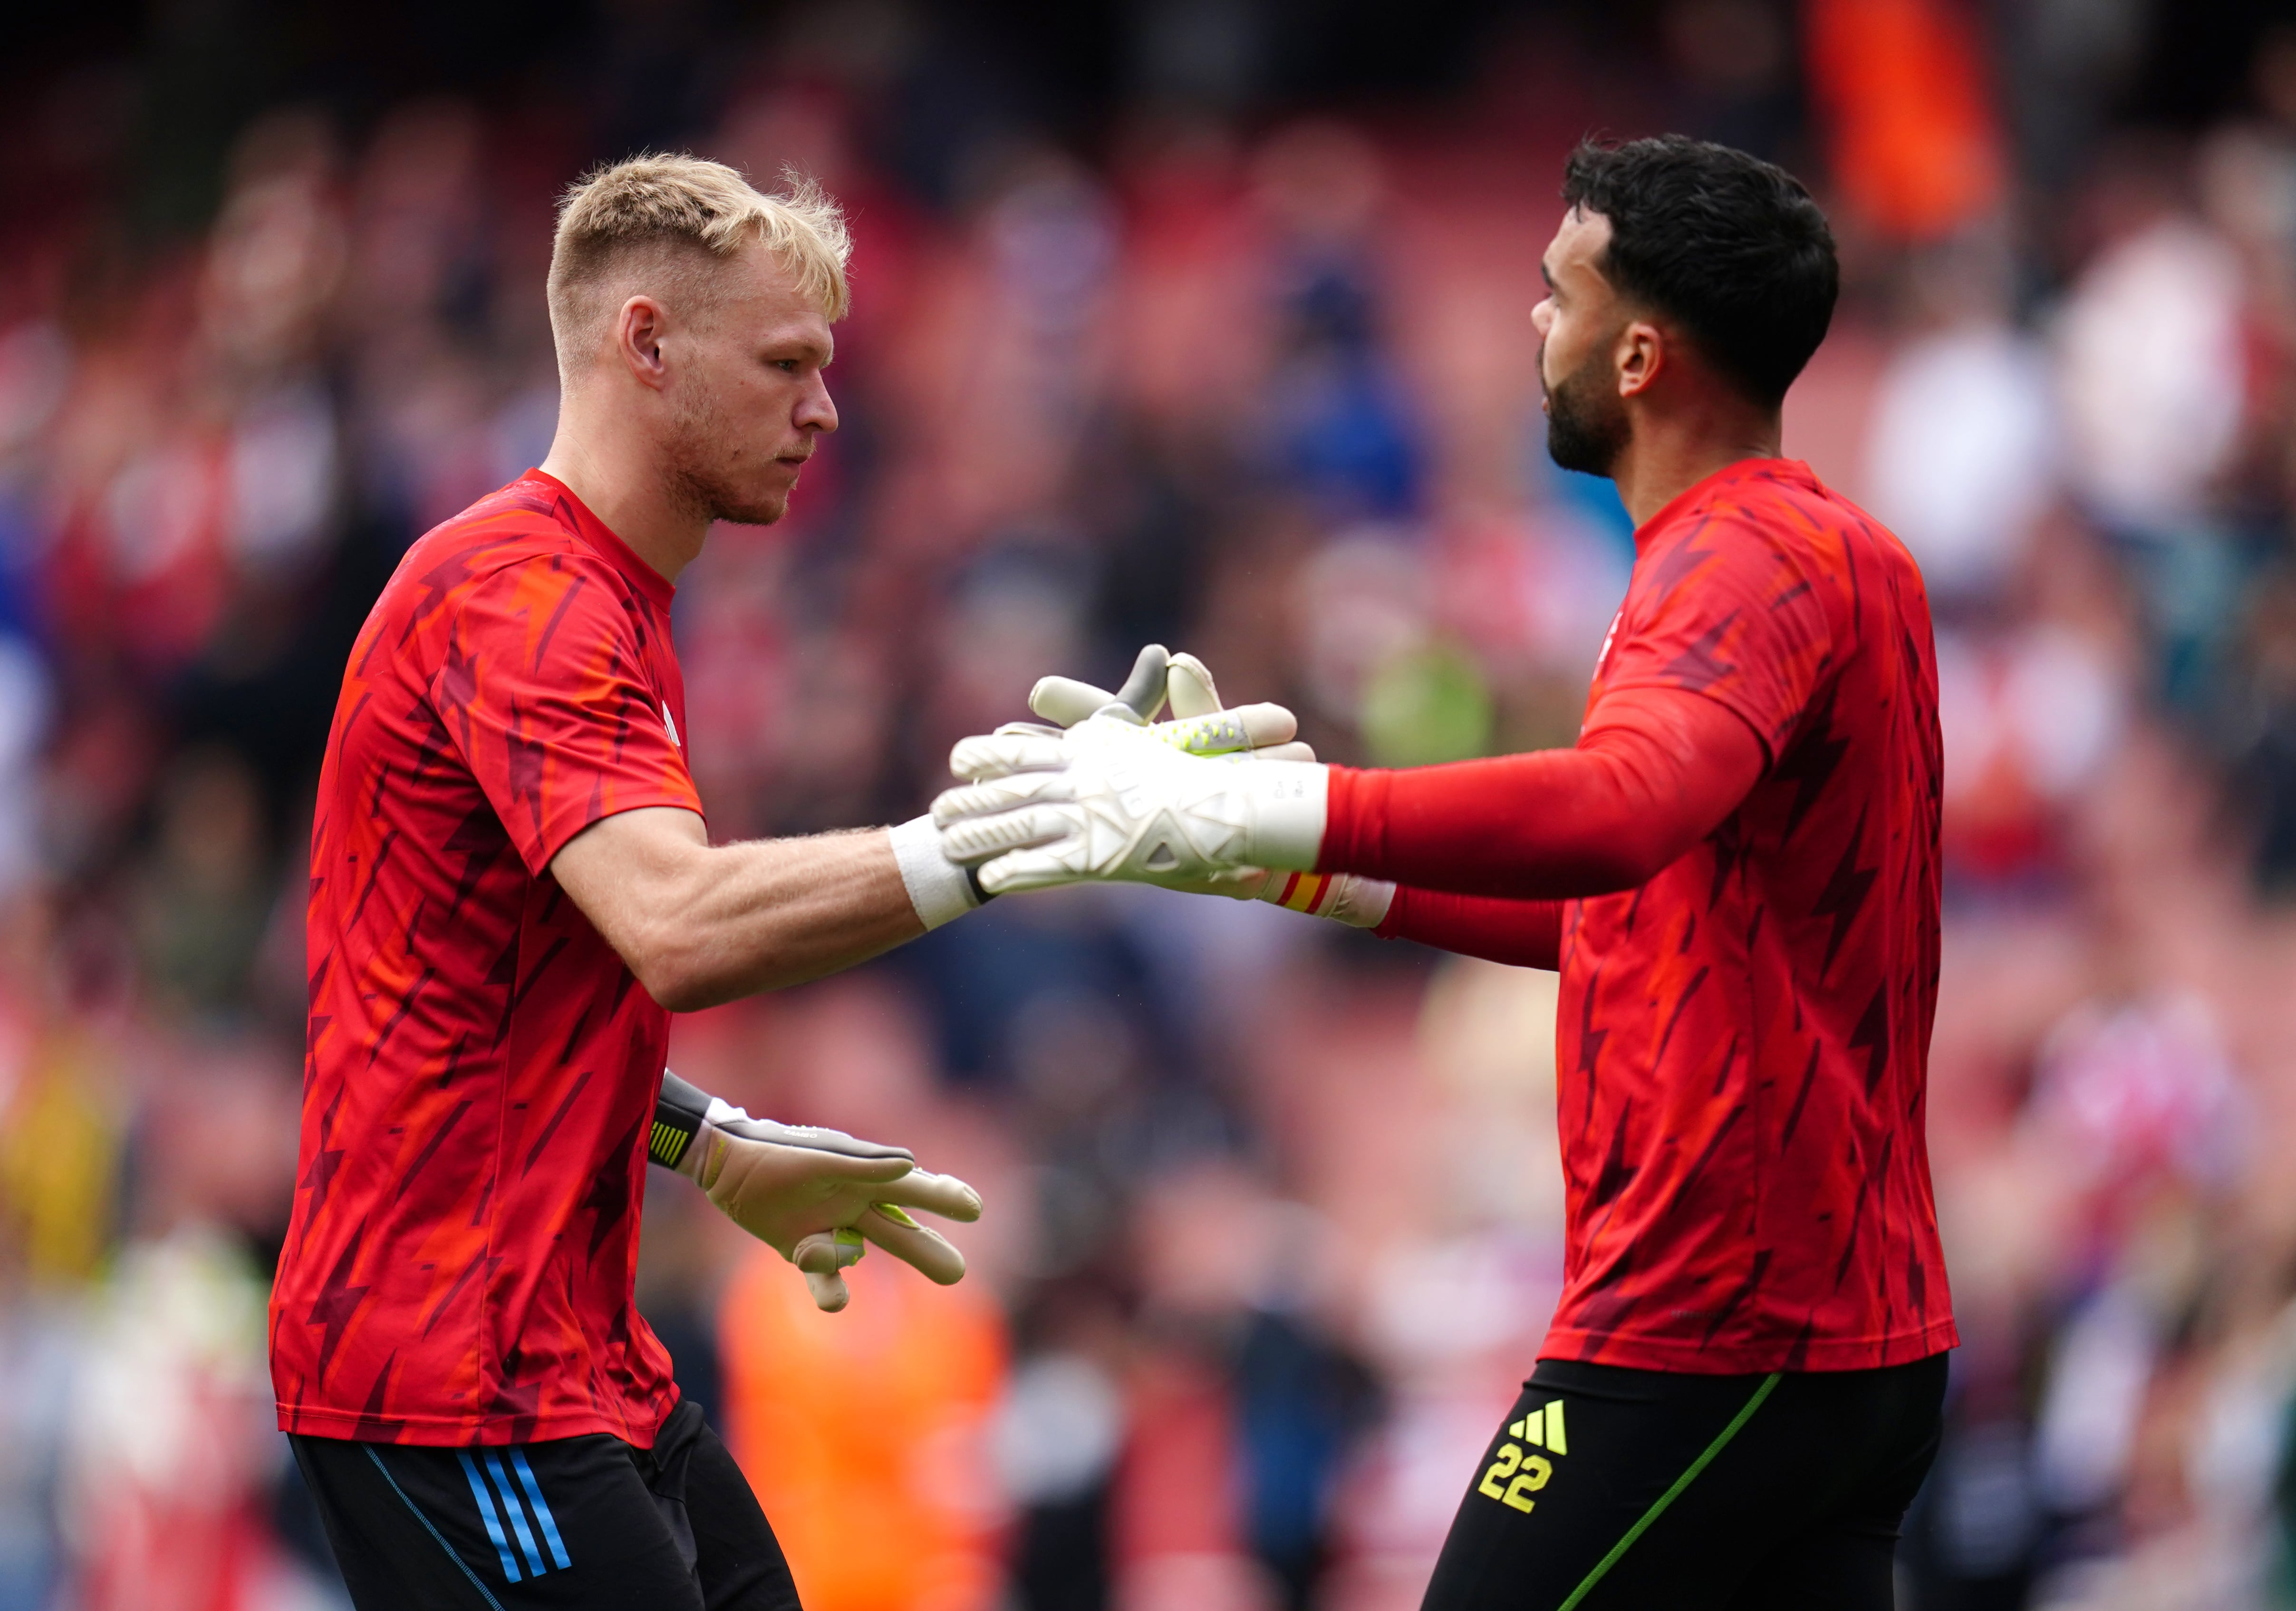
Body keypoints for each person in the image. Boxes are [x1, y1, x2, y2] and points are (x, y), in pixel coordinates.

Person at [936, 136, 1955, 1609]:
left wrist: (1284, 812)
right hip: (1833, 1332)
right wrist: (1265, 855)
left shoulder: (1741, 560)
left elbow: (1615, 812)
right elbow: (1627, 909)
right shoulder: (1812, 556)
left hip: (1714, 1320)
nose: (1534, 324)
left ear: (1645, 353)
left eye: (1561, 295)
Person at [268, 155, 1300, 1611]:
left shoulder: (599, 597)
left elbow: (482, 995)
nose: (824, 408)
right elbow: (677, 926)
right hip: (448, 1379)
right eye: (785, 364)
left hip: (573, 1356)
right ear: (645, 344)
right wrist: (1021, 829)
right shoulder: (525, 599)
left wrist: (712, 1142)